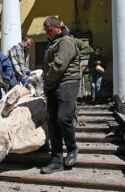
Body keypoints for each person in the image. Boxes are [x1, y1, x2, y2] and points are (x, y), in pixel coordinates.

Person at [41, 17, 81, 174]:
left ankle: (72, 149)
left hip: (67, 82)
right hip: (53, 84)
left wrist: (46, 81)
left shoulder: (66, 41)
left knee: (63, 118)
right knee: (52, 123)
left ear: (58, 27)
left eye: (49, 30)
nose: (47, 33)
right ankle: (56, 160)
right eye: (46, 31)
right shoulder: (53, 42)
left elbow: (58, 65)